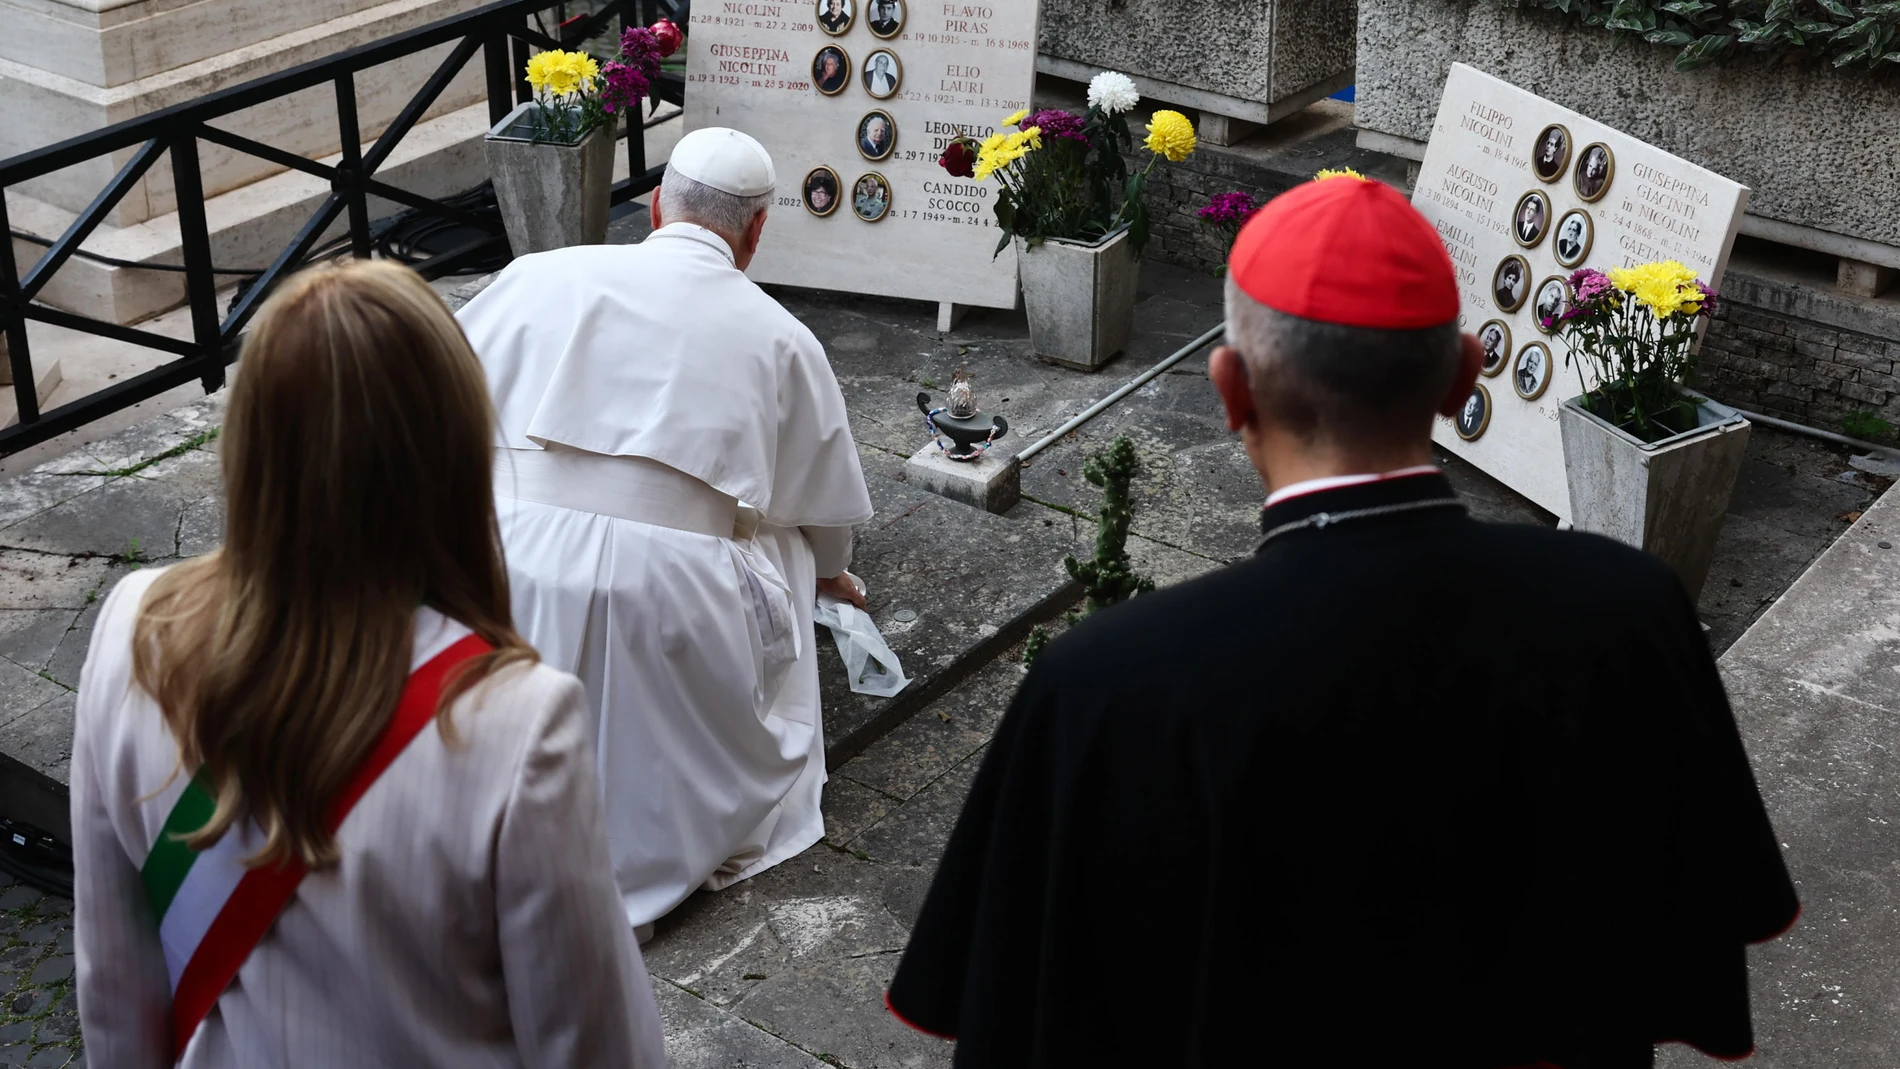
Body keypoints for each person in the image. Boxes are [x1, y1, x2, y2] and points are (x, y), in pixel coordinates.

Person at [886, 175, 1798, 1067]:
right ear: (1462, 378)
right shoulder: (1629, 609)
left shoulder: (1104, 684)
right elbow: (1693, 918)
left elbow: (1025, 1008)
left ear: (1231, 389)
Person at [72, 260, 666, 1067]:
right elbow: (600, 1051)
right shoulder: (518, 725)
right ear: (453, 452)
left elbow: (113, 993)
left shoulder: (132, 634)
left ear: (248, 443)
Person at [456, 128, 875, 936]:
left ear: (654, 206)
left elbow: (435, 397)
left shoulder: (536, 274)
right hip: (666, 595)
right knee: (785, 542)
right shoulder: (783, 336)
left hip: (503, 562)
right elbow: (823, 514)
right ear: (756, 235)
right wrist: (826, 572)